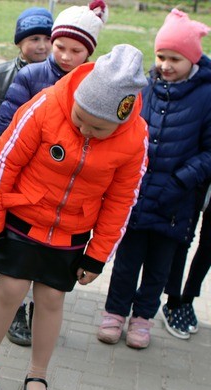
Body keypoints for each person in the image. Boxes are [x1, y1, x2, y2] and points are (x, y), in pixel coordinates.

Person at [0, 45, 149, 390]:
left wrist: (97, 255)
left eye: (98, 128)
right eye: (80, 118)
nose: (85, 129)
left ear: (122, 118)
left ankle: (38, 374)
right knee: (11, 289)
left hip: (72, 235)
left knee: (51, 299)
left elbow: (122, 200)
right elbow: (3, 165)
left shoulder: (135, 139)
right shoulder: (46, 105)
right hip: (23, 221)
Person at [98, 9, 211, 348]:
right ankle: (115, 313)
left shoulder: (206, 96)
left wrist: (180, 181)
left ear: (192, 59)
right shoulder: (145, 89)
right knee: (126, 262)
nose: (165, 64)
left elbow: (208, 152)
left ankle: (143, 318)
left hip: (176, 201)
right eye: (161, 56)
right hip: (138, 194)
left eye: (175, 58)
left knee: (158, 267)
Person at [0, 7, 53, 345]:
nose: (43, 46)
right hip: (1, 160)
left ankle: (18, 295)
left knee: (18, 226)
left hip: (37, 172)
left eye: (48, 39)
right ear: (20, 42)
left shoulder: (59, 79)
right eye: (34, 39)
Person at [0, 1, 108, 140]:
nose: (66, 57)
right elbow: (7, 124)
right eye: (60, 47)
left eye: (76, 51)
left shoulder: (96, 83)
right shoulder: (29, 75)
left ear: (89, 52)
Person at [163, 204, 211, 338]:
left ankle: (188, 301)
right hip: (195, 185)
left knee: (209, 246)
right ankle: (172, 303)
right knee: (183, 238)